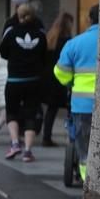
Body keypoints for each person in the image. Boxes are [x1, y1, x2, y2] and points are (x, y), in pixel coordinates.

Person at [54, 5, 99, 181]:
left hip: (83, 106)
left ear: (89, 19)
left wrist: (71, 81)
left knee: (84, 143)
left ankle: (87, 178)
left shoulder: (75, 43)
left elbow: (60, 72)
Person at [0, 3, 47, 162]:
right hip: (34, 81)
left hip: (14, 80)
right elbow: (44, 56)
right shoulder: (40, 34)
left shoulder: (11, 33)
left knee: (12, 112)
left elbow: (3, 53)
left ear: (18, 16)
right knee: (31, 114)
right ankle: (27, 151)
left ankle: (14, 143)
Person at [42, 12, 74, 146]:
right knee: (71, 109)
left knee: (51, 109)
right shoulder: (67, 41)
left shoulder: (50, 39)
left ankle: (46, 137)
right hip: (62, 78)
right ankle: (72, 137)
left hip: (49, 79)